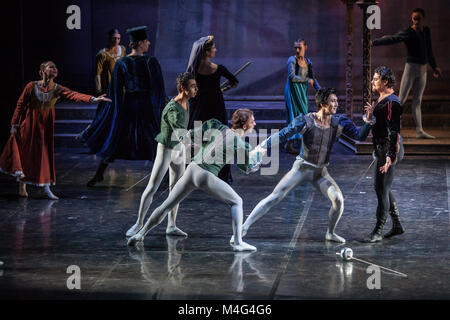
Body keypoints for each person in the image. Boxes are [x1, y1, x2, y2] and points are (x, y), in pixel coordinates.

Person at [233, 88, 374, 244]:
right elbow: (283, 134)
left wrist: (368, 121)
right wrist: (261, 147)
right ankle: (244, 228)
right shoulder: (306, 120)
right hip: (302, 168)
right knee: (274, 197)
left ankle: (330, 233)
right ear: (322, 104)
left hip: (320, 172)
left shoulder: (339, 122)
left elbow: (359, 136)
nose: (336, 104)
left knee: (339, 200)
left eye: (336, 101)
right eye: (332, 101)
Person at [127, 109, 259, 252]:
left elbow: (192, 135)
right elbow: (246, 168)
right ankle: (238, 242)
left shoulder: (219, 128)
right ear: (245, 126)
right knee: (237, 201)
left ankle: (140, 234)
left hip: (192, 169)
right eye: (252, 121)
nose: (255, 123)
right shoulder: (239, 143)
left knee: (166, 206)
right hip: (205, 175)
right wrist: (257, 157)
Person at [0, 61, 111, 199]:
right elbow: (20, 105)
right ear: (42, 71)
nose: (54, 69)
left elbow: (74, 95)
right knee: (25, 153)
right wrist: (14, 124)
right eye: (50, 67)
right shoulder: (31, 86)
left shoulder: (57, 88)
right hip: (29, 123)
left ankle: (45, 187)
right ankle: (22, 187)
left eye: (55, 67)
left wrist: (93, 99)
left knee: (44, 154)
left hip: (44, 125)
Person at [82, 26, 167, 187]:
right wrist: (161, 107)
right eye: (147, 41)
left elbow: (115, 90)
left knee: (118, 137)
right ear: (140, 43)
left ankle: (100, 173)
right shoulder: (151, 61)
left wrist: (116, 110)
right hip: (145, 106)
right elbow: (158, 89)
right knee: (153, 137)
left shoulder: (122, 63)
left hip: (129, 104)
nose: (149, 44)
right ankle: (166, 175)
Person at [126, 72, 198, 238]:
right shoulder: (172, 109)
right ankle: (139, 223)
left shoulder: (187, 103)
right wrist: (190, 140)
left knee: (177, 189)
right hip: (166, 149)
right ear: (183, 88)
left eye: (196, 86)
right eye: (193, 86)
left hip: (179, 150)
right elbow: (179, 130)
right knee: (152, 186)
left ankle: (171, 225)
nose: (196, 89)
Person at [372, 8, 442, 139]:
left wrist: (435, 67)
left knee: (417, 101)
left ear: (423, 19)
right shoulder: (408, 32)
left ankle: (420, 130)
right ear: (412, 19)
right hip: (411, 68)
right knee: (401, 100)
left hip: (423, 70)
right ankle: (389, 127)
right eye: (414, 18)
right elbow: (393, 39)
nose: (416, 21)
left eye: (418, 18)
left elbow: (429, 50)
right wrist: (375, 42)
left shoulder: (426, 31)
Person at [186, 35, 239, 185]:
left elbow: (190, 89)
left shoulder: (194, 70)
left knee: (197, 138)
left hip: (199, 106)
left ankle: (194, 171)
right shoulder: (219, 68)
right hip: (216, 105)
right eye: (213, 48)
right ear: (207, 52)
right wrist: (222, 89)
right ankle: (219, 172)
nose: (216, 50)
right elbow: (235, 81)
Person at [363, 66, 405, 243]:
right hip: (382, 148)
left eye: (376, 79)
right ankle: (397, 225)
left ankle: (378, 231)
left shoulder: (392, 102)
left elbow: (394, 131)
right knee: (382, 187)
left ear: (385, 81)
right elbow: (380, 127)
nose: (373, 81)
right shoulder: (382, 98)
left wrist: (389, 156)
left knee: (381, 189)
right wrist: (371, 117)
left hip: (389, 149)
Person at [284, 38, 321, 154]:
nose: (297, 50)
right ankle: (291, 144)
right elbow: (292, 77)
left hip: (302, 91)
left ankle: (295, 144)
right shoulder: (292, 60)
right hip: (292, 92)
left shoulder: (308, 61)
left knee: (304, 116)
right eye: (295, 47)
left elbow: (312, 79)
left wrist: (321, 90)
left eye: (300, 47)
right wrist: (306, 80)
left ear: (305, 47)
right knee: (294, 117)